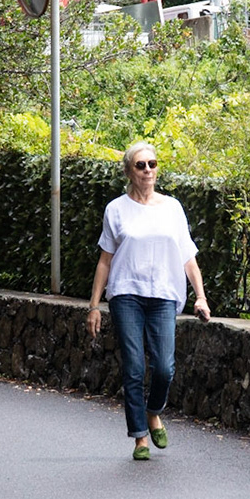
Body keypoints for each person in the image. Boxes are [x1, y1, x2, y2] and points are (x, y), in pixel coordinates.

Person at [87, 142, 211, 461]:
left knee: (164, 368)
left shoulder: (172, 208)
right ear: (129, 171)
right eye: (140, 165)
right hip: (126, 294)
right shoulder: (116, 209)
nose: (147, 170)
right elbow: (105, 260)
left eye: (152, 164)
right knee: (133, 367)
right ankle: (140, 437)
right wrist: (94, 306)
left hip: (164, 295)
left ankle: (153, 411)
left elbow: (188, 256)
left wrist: (201, 297)